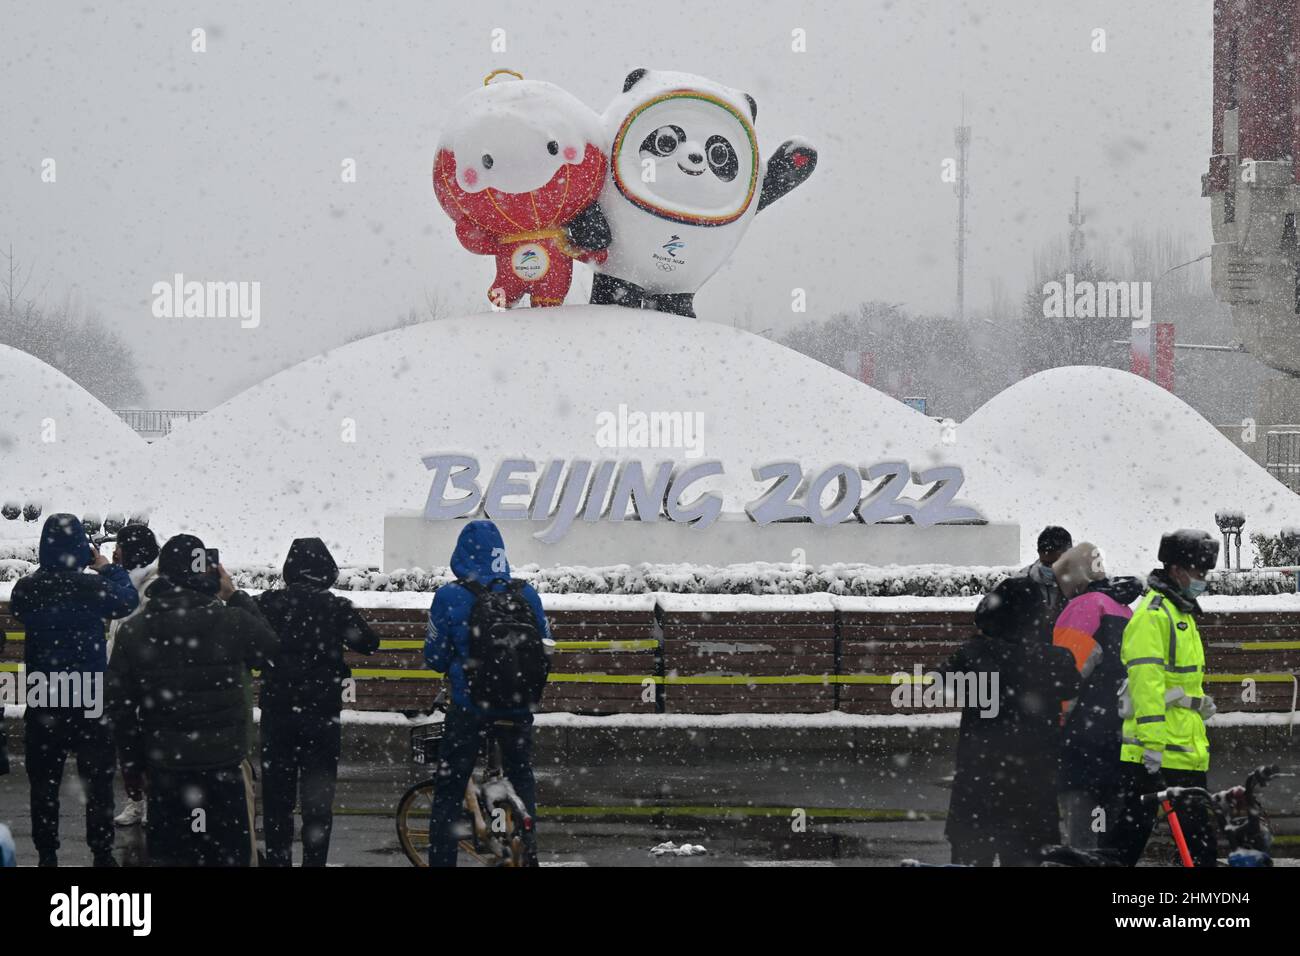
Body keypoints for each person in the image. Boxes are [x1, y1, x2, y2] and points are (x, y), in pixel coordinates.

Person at [106, 534, 278, 867]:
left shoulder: (136, 630)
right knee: (228, 857)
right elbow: (272, 652)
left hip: (167, 769)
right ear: (207, 573)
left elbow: (120, 707)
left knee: (174, 857)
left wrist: (132, 765)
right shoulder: (233, 622)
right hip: (224, 767)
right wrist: (235, 595)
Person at [11, 513, 139, 867]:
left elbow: (23, 610)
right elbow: (128, 601)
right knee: (97, 780)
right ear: (82, 546)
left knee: (44, 783)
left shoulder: (27, 589)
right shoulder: (93, 587)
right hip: (89, 693)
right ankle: (101, 852)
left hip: (45, 693)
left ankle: (47, 853)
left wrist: (49, 568)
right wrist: (104, 566)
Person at [423, 520, 551, 867]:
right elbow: (546, 645)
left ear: (461, 553)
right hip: (517, 706)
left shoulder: (450, 596)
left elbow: (433, 658)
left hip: (470, 707)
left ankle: (443, 860)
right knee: (521, 777)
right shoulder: (527, 594)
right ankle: (528, 853)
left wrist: (458, 662)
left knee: (449, 789)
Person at [255, 537, 379, 866]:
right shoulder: (335, 606)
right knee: (318, 802)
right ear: (326, 569)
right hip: (321, 716)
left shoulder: (269, 603)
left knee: (277, 799)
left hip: (277, 714)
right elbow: (369, 642)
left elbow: (249, 642)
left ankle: (278, 859)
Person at [938, 576, 1078, 866]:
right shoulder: (1056, 660)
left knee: (973, 859)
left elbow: (944, 680)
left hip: (978, 789)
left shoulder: (973, 656)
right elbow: (1071, 685)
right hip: (1033, 793)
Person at [1101, 529, 1220, 867]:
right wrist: (1152, 744)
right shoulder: (1154, 616)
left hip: (1180, 748)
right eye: (1199, 572)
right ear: (1176, 569)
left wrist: (1198, 702)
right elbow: (1146, 684)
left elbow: (1175, 683)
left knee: (1133, 840)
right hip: (1157, 752)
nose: (1202, 579)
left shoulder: (1180, 614)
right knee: (1182, 845)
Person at [1049, 542, 1144, 847]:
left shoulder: (1083, 607)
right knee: (1111, 829)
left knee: (1081, 831)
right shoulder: (1125, 609)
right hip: (1121, 733)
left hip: (1084, 736)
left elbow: (1066, 675)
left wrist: (1053, 721)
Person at [105, 523, 160, 829]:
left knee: (148, 744)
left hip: (145, 679)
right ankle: (135, 800)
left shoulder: (154, 584)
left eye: (121, 546)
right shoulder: (125, 579)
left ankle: (153, 800)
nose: (116, 551)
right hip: (121, 678)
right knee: (126, 744)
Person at [1015, 525, 1073, 628]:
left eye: (1058, 563)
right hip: (1031, 642)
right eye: (1047, 564)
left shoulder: (1083, 585)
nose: (1053, 568)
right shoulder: (1021, 581)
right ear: (1039, 553)